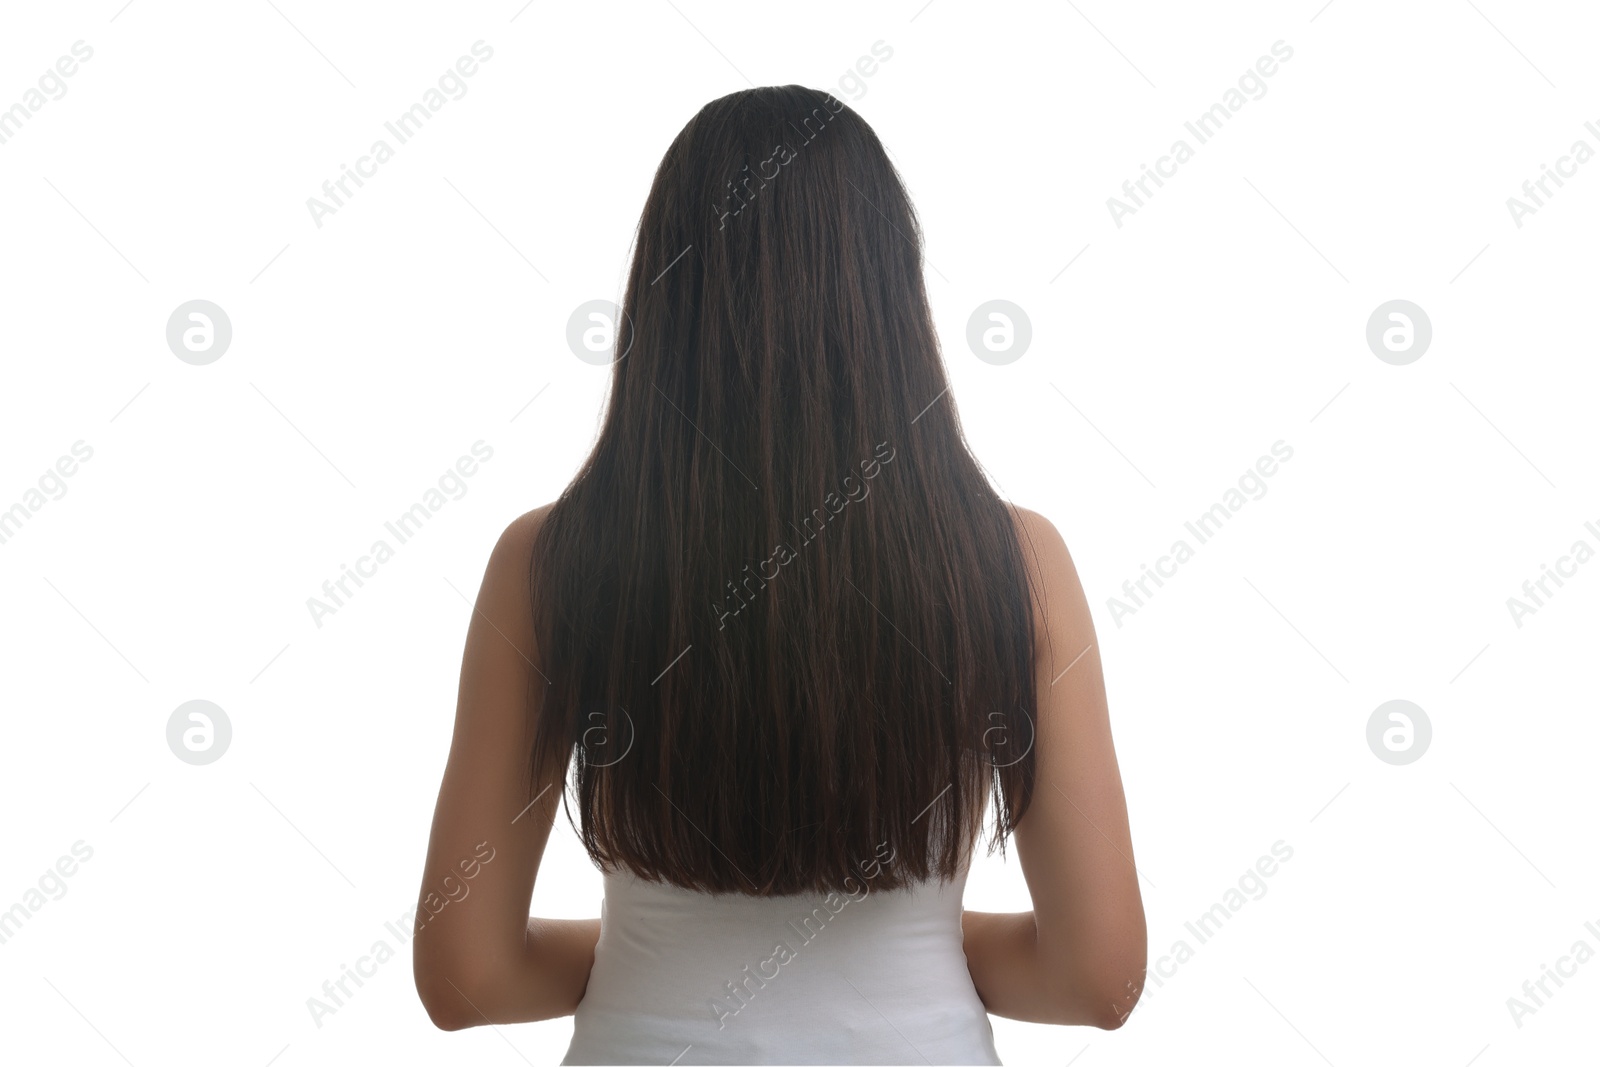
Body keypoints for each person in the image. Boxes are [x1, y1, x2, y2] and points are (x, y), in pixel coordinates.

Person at [413, 84, 1146, 1064]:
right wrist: (921, 946)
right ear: (892, 299)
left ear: (662, 292)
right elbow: (1098, 977)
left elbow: (465, 977)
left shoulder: (548, 564)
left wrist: (655, 954)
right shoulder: (1014, 563)